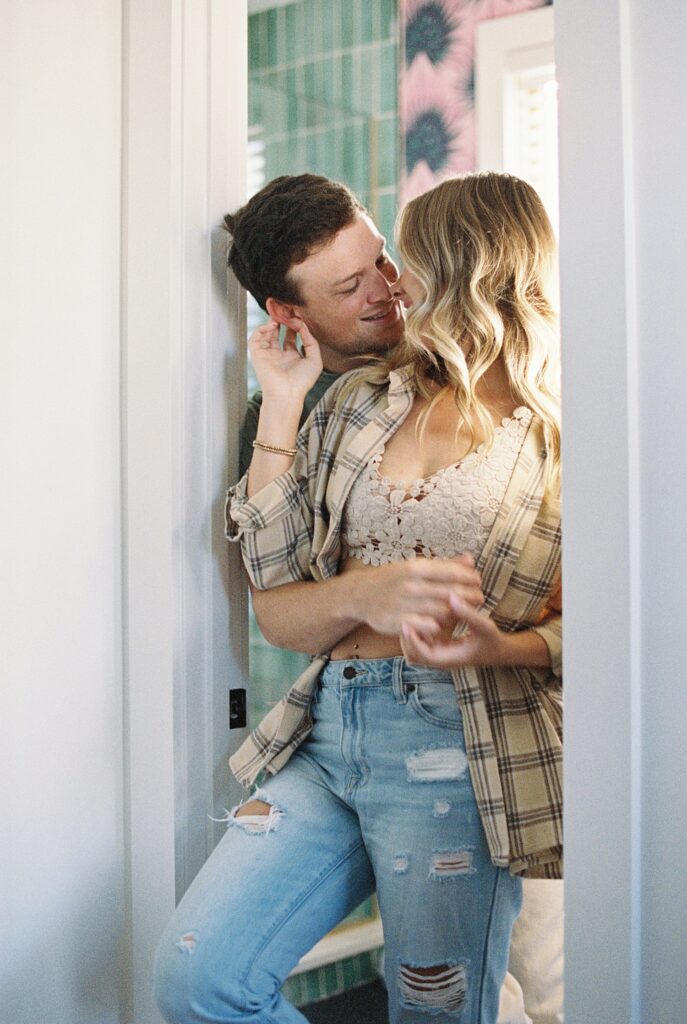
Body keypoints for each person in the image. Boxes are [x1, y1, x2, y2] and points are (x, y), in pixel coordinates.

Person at [153, 173, 563, 1024]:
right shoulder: (348, 402)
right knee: (197, 979)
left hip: (471, 739)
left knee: (480, 1001)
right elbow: (274, 597)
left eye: (390, 261)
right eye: (356, 284)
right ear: (290, 310)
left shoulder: (556, 425)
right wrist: (288, 404)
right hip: (331, 727)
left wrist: (498, 647)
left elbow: (614, 621)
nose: (391, 289)